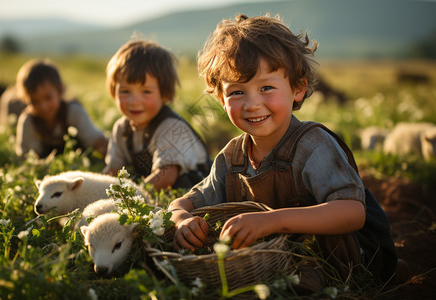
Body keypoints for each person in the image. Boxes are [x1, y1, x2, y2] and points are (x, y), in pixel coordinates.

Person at [168, 14, 398, 290]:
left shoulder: (313, 145)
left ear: (298, 89)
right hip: (281, 260)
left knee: (302, 282)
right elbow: (182, 204)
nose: (252, 104)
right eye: (237, 92)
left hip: (351, 261)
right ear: (221, 99)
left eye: (266, 88)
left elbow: (351, 212)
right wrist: (182, 221)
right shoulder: (232, 158)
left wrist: (272, 221)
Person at [103, 40, 211, 191]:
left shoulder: (171, 127)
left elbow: (166, 176)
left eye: (146, 91)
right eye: (125, 91)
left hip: (198, 196)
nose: (134, 101)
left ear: (165, 95)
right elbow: (112, 171)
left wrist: (131, 198)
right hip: (155, 197)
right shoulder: (121, 129)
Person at [14, 59, 108, 158]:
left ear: (60, 90)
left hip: (79, 160)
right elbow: (26, 156)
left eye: (48, 98)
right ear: (25, 100)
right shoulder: (28, 121)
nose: (43, 106)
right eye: (34, 101)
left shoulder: (73, 112)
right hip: (46, 169)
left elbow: (96, 140)